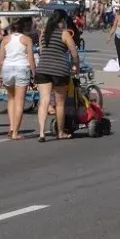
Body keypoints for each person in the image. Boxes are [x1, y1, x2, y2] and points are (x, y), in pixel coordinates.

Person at [36, 9, 80, 142]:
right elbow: (74, 54)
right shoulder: (64, 34)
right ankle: (60, 132)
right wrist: (76, 67)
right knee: (60, 104)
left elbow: (42, 51)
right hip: (60, 71)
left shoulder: (44, 33)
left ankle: (42, 133)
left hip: (43, 69)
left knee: (44, 101)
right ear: (62, 21)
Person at [0, 18, 36, 140]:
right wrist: (34, 73)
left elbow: (0, 59)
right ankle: (15, 132)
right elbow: (31, 59)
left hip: (7, 68)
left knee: (11, 98)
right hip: (22, 68)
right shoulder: (27, 40)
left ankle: (12, 127)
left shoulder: (5, 40)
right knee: (20, 100)